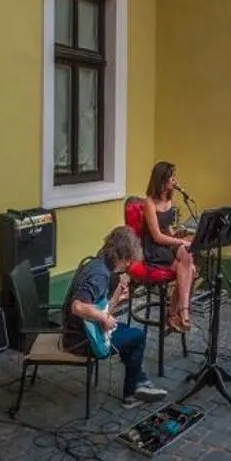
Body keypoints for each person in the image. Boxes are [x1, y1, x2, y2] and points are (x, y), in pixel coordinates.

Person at [66, 226, 166, 406]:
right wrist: (104, 318)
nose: (128, 265)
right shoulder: (100, 275)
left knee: (129, 334)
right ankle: (132, 393)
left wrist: (115, 300)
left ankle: (139, 383)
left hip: (81, 331)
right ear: (121, 256)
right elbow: (78, 306)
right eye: (128, 260)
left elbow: (98, 308)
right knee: (138, 336)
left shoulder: (98, 264)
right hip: (80, 341)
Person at [131, 161, 197, 334]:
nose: (175, 180)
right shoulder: (149, 203)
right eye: (171, 177)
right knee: (191, 270)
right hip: (154, 247)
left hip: (167, 244)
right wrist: (180, 242)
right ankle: (180, 313)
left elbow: (167, 229)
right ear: (161, 180)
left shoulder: (169, 200)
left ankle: (176, 314)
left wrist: (179, 235)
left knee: (188, 258)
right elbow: (157, 236)